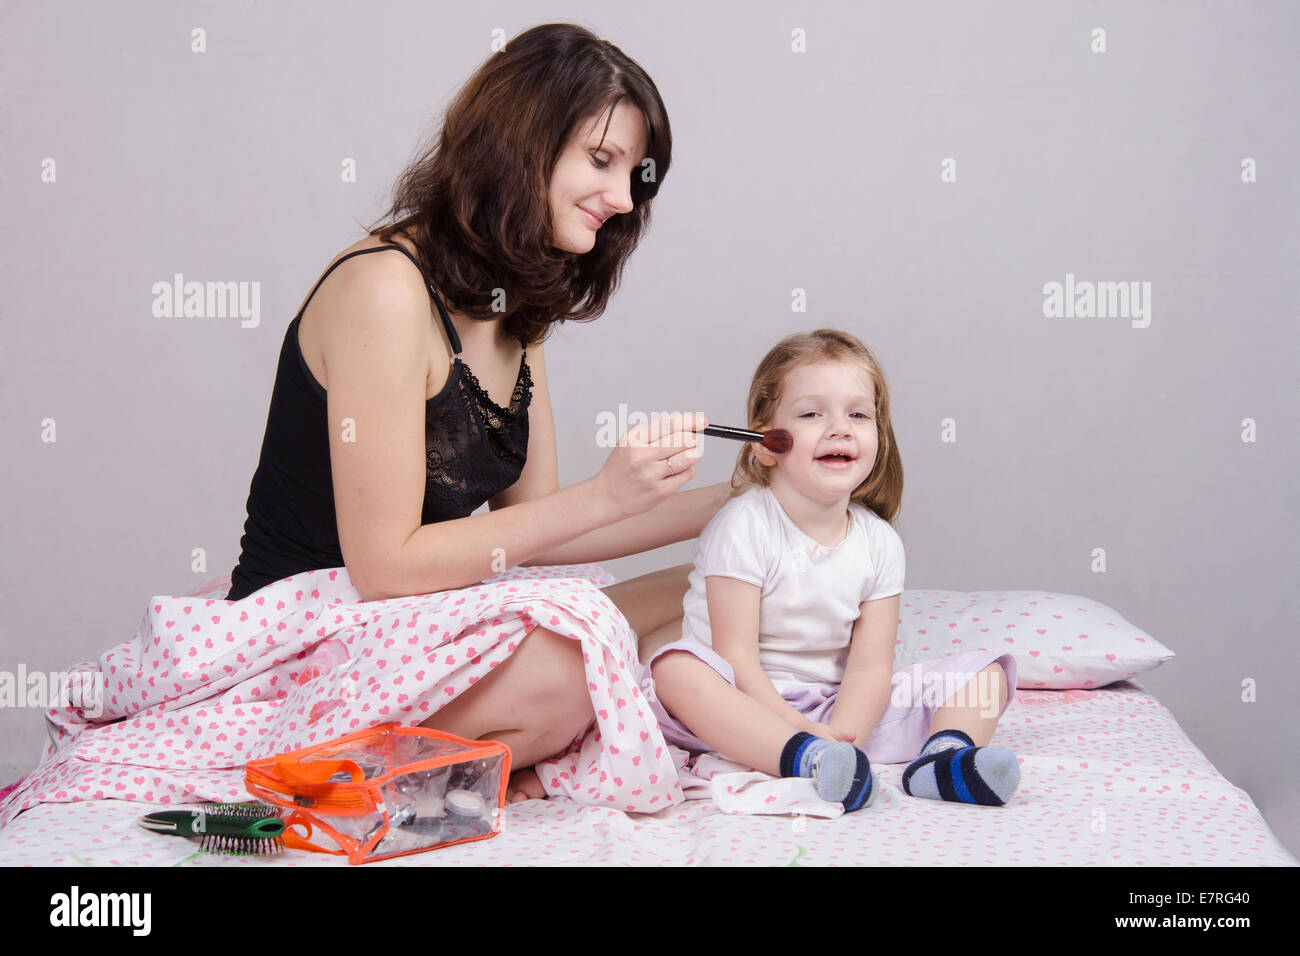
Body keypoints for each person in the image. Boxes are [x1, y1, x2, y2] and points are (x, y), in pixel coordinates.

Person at [224, 23, 729, 802]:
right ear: (521, 143)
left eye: (636, 175)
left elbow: (545, 530)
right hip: (313, 638)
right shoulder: (386, 292)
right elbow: (384, 565)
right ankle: (477, 760)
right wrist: (602, 493)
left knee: (714, 588)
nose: (622, 198)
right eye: (601, 161)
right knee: (574, 660)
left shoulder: (513, 308)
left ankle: (491, 757)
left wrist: (744, 499)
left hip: (421, 631)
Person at [639, 329, 1022, 811]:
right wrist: (797, 730)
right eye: (811, 414)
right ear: (765, 443)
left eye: (858, 415)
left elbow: (869, 666)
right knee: (676, 670)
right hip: (736, 704)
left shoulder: (879, 542)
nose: (839, 428)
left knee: (983, 672)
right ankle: (804, 758)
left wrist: (846, 736)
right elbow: (736, 657)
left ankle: (942, 760)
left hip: (832, 707)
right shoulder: (743, 524)